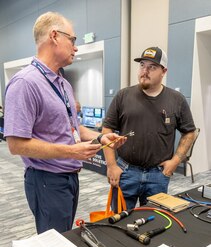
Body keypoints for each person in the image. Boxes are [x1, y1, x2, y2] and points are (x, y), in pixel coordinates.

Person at [3, 12, 126, 234]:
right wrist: (71, 152)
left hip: (69, 177)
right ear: (54, 36)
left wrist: (100, 138)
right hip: (46, 180)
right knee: (55, 243)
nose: (76, 47)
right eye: (73, 40)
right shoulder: (25, 83)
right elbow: (16, 144)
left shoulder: (63, 83)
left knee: (66, 235)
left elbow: (73, 127)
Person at [102, 46, 196, 209]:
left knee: (155, 221)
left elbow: (190, 132)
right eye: (142, 65)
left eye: (152, 67)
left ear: (163, 71)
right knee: (119, 222)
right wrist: (111, 165)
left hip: (158, 175)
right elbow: (107, 130)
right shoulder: (123, 96)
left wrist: (175, 161)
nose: (144, 71)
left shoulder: (177, 100)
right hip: (125, 172)